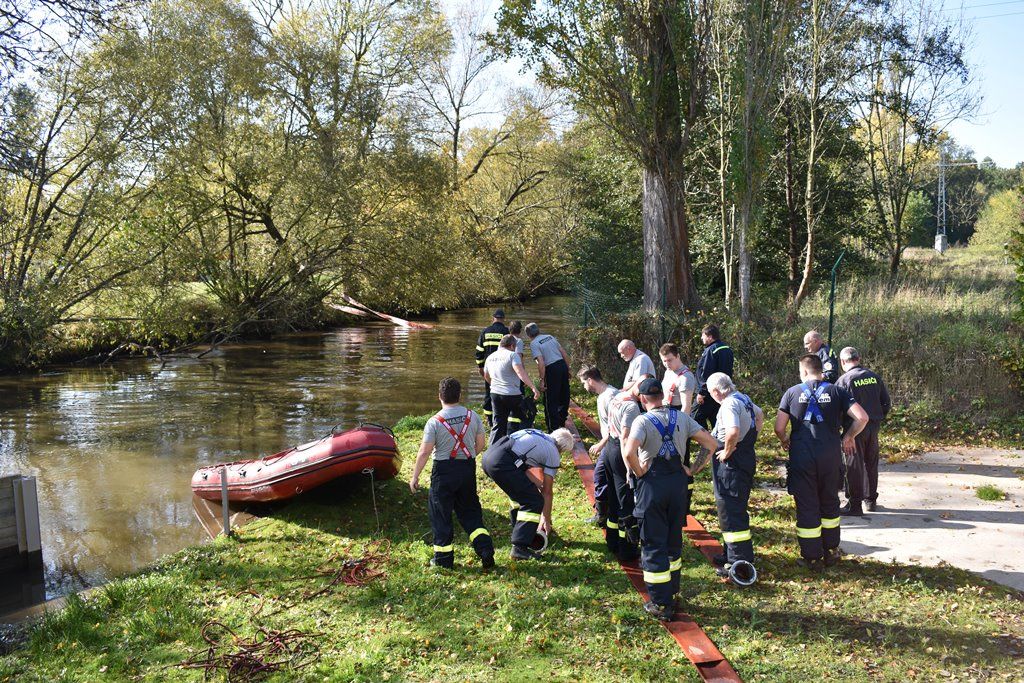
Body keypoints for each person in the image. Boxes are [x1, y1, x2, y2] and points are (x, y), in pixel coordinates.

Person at [623, 378, 722, 621]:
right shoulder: (682, 418)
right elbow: (711, 444)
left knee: (654, 543)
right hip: (678, 484)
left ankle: (660, 602)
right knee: (673, 538)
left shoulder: (642, 421)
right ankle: (673, 590)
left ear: (644, 399)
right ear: (664, 397)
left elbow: (627, 452)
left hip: (653, 487)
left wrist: (639, 472)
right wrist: (693, 469)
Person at [774, 354, 869, 570]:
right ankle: (831, 551)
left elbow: (779, 427)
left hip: (802, 456)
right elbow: (862, 417)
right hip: (830, 455)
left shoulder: (792, 393)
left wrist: (785, 440)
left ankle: (812, 557)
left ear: (805, 371)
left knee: (807, 504)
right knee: (829, 501)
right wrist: (848, 437)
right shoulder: (837, 391)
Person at [410, 377, 496, 569]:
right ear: (460, 395)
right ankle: (485, 549)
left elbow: (424, 451)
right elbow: (481, 444)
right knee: (470, 511)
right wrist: (469, 454)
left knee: (441, 514)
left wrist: (415, 476)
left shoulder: (434, 422)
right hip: (466, 468)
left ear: (440, 396)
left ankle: (443, 560)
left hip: (443, 472)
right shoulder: (472, 416)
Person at [702, 372, 764, 576]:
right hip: (745, 457)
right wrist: (749, 441)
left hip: (731, 464)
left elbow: (733, 431)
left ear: (716, 392)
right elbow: (760, 414)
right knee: (733, 507)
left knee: (730, 509)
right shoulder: (742, 398)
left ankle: (739, 561)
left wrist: (727, 450)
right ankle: (731, 553)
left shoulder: (728, 404)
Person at [481, 428, 576, 560]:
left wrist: (535, 485)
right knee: (534, 501)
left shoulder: (538, 433)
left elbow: (524, 468)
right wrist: (546, 519)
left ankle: (519, 527)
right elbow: (547, 492)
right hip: (503, 463)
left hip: (489, 457)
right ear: (562, 449)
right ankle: (519, 547)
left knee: (521, 493)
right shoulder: (553, 452)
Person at [835, 347, 891, 514]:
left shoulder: (844, 380)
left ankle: (855, 504)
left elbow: (838, 408)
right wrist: (877, 418)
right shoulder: (874, 377)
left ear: (843, 362)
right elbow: (886, 402)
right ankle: (870, 500)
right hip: (873, 426)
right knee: (871, 464)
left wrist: (842, 431)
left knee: (853, 465)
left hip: (854, 428)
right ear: (858, 359)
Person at [579, 367, 620, 554]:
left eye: (583, 382)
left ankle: (603, 515)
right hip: (609, 443)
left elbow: (616, 426)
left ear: (590, 380)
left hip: (613, 443)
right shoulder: (602, 396)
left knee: (600, 476)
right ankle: (604, 512)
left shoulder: (610, 396)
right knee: (603, 477)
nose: (583, 386)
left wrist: (602, 444)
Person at [660, 342, 699, 510]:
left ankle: (685, 501)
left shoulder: (686, 377)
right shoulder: (668, 372)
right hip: (665, 414)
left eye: (669, 360)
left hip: (678, 419)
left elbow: (686, 407)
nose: (667, 364)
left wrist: (679, 431)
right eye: (664, 361)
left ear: (678, 356)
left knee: (682, 460)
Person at [605, 386, 643, 561]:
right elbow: (625, 437)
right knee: (626, 501)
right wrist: (629, 466)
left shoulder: (617, 397)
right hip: (621, 453)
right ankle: (627, 548)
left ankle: (612, 541)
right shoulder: (632, 407)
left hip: (609, 449)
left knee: (613, 497)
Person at [484, 335, 540, 442]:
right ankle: (524, 442)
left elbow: (486, 375)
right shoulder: (512, 355)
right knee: (526, 416)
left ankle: (491, 451)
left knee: (498, 424)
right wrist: (533, 387)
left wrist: (494, 385)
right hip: (512, 395)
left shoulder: (490, 357)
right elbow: (520, 372)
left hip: (495, 394)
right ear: (512, 345)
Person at [525, 323, 571, 433]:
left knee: (550, 400)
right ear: (538, 330)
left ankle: (553, 429)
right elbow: (563, 353)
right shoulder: (550, 337)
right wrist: (568, 369)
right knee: (564, 395)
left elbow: (541, 363)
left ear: (528, 335)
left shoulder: (534, 343)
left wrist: (542, 380)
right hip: (562, 365)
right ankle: (561, 422)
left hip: (551, 369)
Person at [693, 324, 734, 430]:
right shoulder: (727, 348)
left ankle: (707, 442)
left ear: (710, 336)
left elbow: (706, 372)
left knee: (694, 417)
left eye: (703, 335)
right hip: (723, 392)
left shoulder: (711, 350)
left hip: (709, 393)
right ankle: (718, 444)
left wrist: (702, 392)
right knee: (717, 419)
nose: (702, 338)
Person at [475, 310, 509, 427]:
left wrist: (480, 366)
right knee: (503, 391)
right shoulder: (506, 332)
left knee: (489, 392)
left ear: (493, 318)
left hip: (488, 368)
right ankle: (501, 417)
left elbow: (479, 351)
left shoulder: (485, 332)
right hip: (503, 368)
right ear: (503, 319)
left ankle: (490, 420)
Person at [509, 320, 536, 429]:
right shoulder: (518, 341)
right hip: (516, 371)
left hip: (506, 371)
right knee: (519, 396)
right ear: (520, 330)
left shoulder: (505, 338)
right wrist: (524, 376)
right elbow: (518, 357)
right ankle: (519, 420)